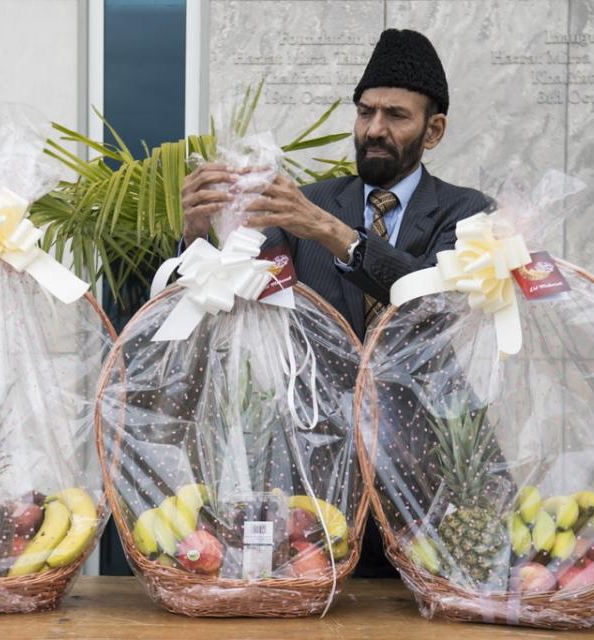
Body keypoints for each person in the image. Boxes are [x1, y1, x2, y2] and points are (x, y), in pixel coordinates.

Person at [180, 29, 492, 577]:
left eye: (396, 115)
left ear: (433, 129)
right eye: (366, 111)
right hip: (313, 471)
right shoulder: (308, 204)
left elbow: (434, 304)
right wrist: (197, 233)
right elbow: (242, 295)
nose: (374, 129)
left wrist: (330, 232)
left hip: (429, 472)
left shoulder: (467, 212)